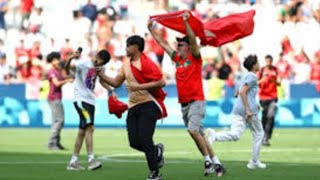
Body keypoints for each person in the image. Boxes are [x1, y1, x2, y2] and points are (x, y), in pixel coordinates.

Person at [148, 11, 225, 177]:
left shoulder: (195, 57)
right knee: (200, 135)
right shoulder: (178, 59)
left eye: (181, 44)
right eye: (178, 44)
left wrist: (186, 24)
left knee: (192, 130)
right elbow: (163, 44)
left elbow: (193, 40)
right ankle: (217, 163)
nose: (177, 46)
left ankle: (207, 161)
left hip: (196, 101)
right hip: (184, 104)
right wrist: (152, 30)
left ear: (189, 45)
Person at [96, 35, 167, 180]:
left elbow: (161, 82)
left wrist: (139, 86)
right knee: (134, 142)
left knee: (145, 139)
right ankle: (156, 151)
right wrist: (102, 75)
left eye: (128, 45)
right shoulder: (125, 64)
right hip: (133, 106)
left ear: (136, 47)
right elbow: (116, 82)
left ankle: (155, 173)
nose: (126, 48)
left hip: (149, 103)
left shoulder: (146, 63)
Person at [205, 54, 267, 169]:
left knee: (235, 135)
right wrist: (248, 108)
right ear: (254, 65)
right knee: (259, 133)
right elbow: (243, 92)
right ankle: (254, 162)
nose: (259, 64)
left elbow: (236, 93)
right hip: (247, 110)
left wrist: (253, 104)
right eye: (258, 62)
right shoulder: (253, 76)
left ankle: (215, 136)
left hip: (238, 109)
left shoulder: (243, 76)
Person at [64, 49, 112, 170]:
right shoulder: (83, 63)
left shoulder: (100, 68)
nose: (99, 65)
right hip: (81, 100)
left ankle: (73, 161)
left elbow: (101, 81)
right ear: (97, 56)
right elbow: (67, 72)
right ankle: (91, 160)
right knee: (90, 128)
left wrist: (111, 90)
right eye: (99, 62)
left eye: (102, 64)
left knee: (82, 131)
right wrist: (70, 58)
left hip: (90, 101)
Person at [47, 52, 73, 150]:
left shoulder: (57, 71)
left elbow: (65, 76)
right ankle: (52, 143)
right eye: (55, 59)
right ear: (51, 61)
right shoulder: (52, 72)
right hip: (54, 98)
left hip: (56, 98)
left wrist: (69, 77)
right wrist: (67, 81)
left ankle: (56, 142)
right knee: (59, 120)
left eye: (58, 59)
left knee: (57, 121)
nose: (57, 61)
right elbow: (56, 83)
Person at [258, 55, 280, 146]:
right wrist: (263, 79)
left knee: (271, 116)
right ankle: (263, 136)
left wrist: (273, 80)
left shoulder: (275, 70)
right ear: (265, 61)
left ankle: (267, 136)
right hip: (263, 97)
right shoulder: (262, 70)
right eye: (267, 61)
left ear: (272, 61)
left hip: (273, 96)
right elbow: (256, 82)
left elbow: (279, 83)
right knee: (264, 117)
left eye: (270, 61)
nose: (268, 63)